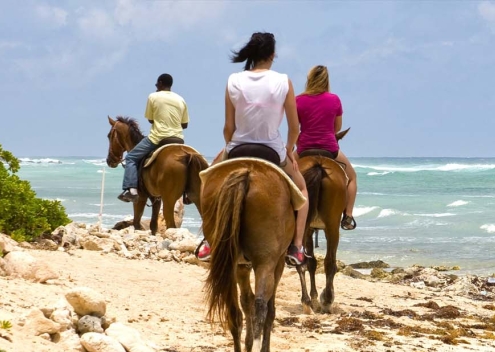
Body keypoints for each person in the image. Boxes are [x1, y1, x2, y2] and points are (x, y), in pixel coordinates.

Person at [196, 32, 309, 266]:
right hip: (272, 150)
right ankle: (297, 246)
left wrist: (228, 146)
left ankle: (209, 239)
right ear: (272, 54)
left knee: (206, 182)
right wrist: (288, 149)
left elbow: (228, 127)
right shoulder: (283, 81)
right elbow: (294, 127)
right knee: (302, 190)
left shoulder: (233, 80)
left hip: (238, 148)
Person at [296, 65, 358, 230]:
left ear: (309, 80)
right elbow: (337, 128)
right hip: (329, 148)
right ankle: (348, 216)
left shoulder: (298, 100)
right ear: (326, 81)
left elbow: (295, 129)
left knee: (284, 175)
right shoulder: (334, 99)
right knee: (352, 177)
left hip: (304, 149)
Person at [119, 73, 189, 202]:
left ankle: (132, 190)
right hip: (178, 139)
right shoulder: (181, 99)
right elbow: (185, 124)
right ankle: (189, 192)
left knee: (131, 158)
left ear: (161, 83)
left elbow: (151, 120)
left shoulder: (153, 96)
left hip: (158, 137)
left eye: (157, 83)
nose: (156, 86)